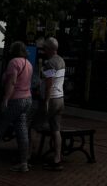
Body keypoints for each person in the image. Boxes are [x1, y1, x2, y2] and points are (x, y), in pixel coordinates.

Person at [0, 41, 33, 172]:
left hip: (14, 100)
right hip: (27, 99)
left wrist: (6, 99)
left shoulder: (14, 63)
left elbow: (12, 82)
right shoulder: (28, 64)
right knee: (22, 131)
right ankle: (24, 162)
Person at [36, 37, 66, 171]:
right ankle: (57, 158)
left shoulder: (50, 63)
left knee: (34, 125)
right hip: (60, 98)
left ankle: (29, 156)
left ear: (49, 49)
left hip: (52, 98)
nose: (43, 50)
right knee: (56, 129)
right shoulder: (61, 60)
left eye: (45, 48)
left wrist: (46, 100)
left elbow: (49, 83)